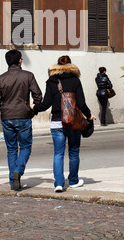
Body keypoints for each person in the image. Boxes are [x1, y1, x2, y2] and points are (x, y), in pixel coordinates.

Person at [31, 55, 95, 192]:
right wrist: (89, 116)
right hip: (72, 122)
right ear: (71, 67)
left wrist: (34, 108)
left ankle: (59, 183)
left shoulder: (51, 81)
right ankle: (73, 181)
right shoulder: (75, 81)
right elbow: (82, 104)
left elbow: (46, 104)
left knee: (58, 153)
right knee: (73, 152)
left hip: (56, 123)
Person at [0, 49, 42, 191]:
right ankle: (18, 171)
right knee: (25, 147)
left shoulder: (1, 79)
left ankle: (12, 179)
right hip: (23, 116)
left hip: (7, 117)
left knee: (11, 149)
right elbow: (38, 95)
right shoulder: (28, 75)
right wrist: (33, 110)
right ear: (19, 60)